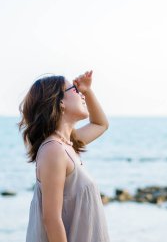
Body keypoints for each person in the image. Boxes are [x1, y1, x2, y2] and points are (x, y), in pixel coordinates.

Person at [18, 70, 110, 242]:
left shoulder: (67, 145)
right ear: (60, 102)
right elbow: (51, 220)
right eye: (75, 90)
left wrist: (88, 91)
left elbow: (101, 124)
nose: (81, 93)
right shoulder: (53, 150)